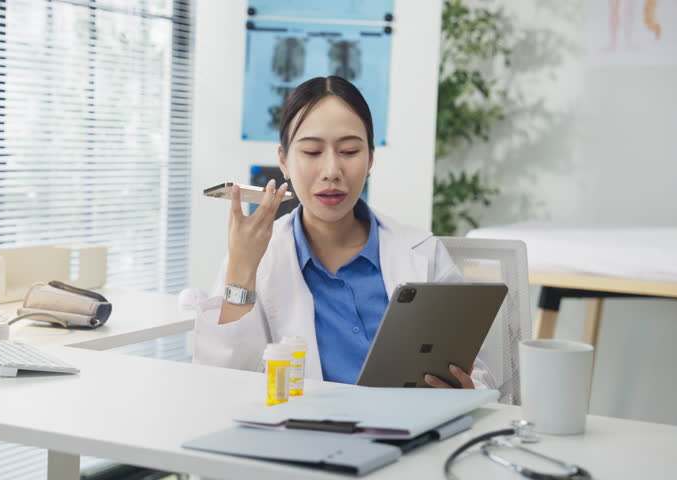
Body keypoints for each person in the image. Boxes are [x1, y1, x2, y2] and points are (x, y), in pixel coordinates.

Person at [185, 76, 495, 389]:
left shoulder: (423, 253)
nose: (332, 171)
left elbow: (478, 371)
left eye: (348, 151)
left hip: (410, 432)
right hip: (302, 433)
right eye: (312, 152)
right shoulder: (256, 257)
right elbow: (219, 383)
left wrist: (466, 390)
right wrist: (242, 269)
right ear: (284, 161)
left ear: (370, 159)